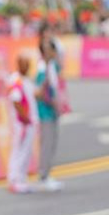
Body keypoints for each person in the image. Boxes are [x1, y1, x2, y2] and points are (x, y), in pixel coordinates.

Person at [6, 55, 39, 194]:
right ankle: (15, 180)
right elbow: (15, 100)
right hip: (22, 123)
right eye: (25, 64)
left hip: (27, 122)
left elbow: (35, 95)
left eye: (28, 64)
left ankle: (21, 179)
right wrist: (24, 118)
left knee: (25, 151)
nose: (27, 67)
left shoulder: (25, 81)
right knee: (20, 151)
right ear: (19, 65)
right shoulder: (17, 80)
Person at [35, 38, 64, 192]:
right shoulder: (41, 69)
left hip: (53, 111)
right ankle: (43, 177)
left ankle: (47, 174)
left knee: (52, 143)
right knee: (46, 144)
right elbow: (39, 92)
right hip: (45, 111)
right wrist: (52, 102)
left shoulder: (52, 67)